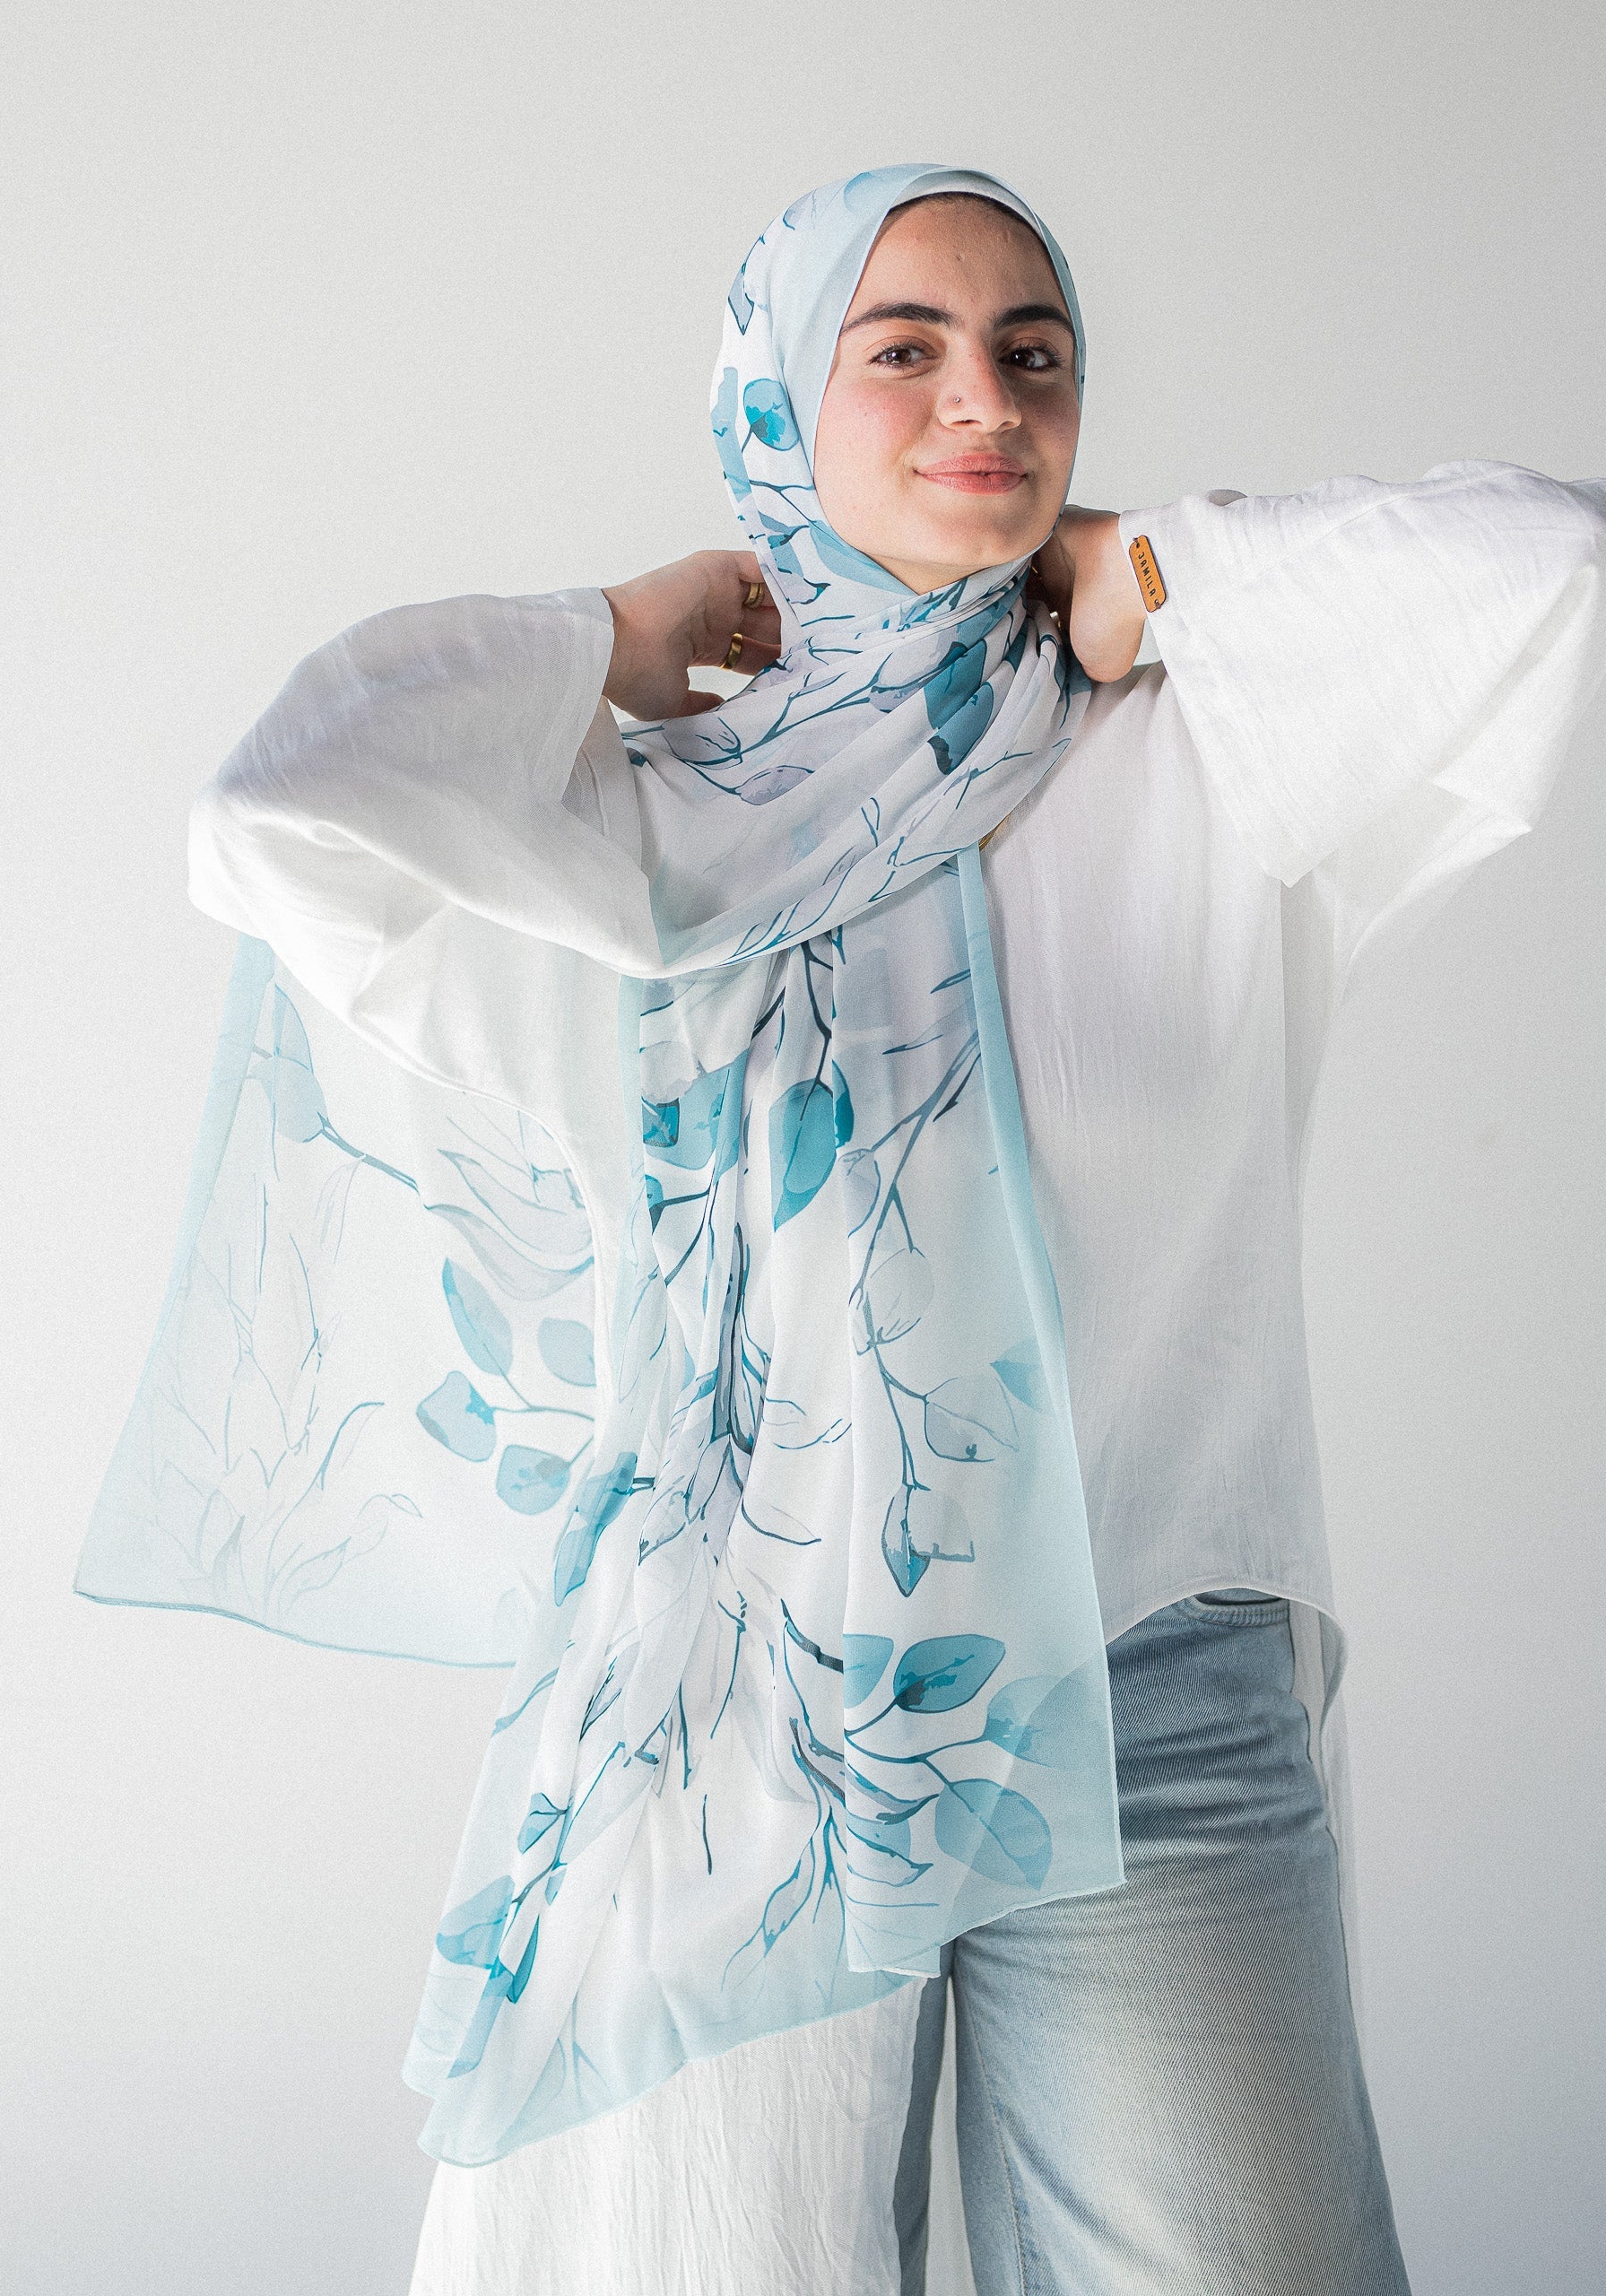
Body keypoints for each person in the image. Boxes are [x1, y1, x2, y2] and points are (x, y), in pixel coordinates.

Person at [78, 165, 1606, 2294]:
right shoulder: (631, 829)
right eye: (901, 347)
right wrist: (602, 643)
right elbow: (276, 813)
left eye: (1034, 351)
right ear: (777, 406)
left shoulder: (1200, 751)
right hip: (737, 1700)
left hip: (1150, 1669)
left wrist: (1143, 570)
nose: (981, 394)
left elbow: (1540, 565)